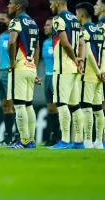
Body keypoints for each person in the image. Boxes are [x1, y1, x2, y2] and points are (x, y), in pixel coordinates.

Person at [48, 0, 85, 149]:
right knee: (75, 105)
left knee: (62, 104)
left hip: (63, 67)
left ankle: (64, 140)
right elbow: (82, 43)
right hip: (75, 69)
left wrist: (73, 58)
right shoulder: (76, 20)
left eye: (51, 2)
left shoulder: (58, 19)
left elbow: (64, 42)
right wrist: (80, 61)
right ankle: (78, 141)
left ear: (57, 2)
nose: (50, 6)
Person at [6, 0, 40, 148]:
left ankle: (24, 141)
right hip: (31, 67)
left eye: (10, 3)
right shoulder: (33, 23)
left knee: (19, 105)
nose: (8, 6)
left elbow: (12, 41)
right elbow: (37, 48)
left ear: (18, 6)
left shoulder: (16, 21)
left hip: (19, 67)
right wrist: (35, 67)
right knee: (28, 105)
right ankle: (31, 139)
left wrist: (12, 62)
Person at [76, 2, 105, 149]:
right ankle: (99, 142)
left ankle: (88, 141)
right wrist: (103, 70)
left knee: (87, 107)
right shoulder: (99, 29)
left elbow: (87, 52)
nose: (76, 17)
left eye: (76, 14)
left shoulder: (84, 30)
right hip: (100, 75)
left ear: (81, 14)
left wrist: (96, 70)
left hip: (89, 73)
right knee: (98, 108)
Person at [0, 10, 15, 146]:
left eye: (3, 20)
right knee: (5, 106)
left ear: (11, 21)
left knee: (12, 105)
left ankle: (14, 136)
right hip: (1, 73)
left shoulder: (14, 36)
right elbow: (0, 57)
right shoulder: (1, 36)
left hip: (10, 72)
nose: (0, 22)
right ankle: (7, 137)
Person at [95, 0, 105, 149]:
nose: (95, 7)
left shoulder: (103, 23)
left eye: (97, 4)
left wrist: (103, 67)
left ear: (104, 8)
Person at [42, 18, 60, 146]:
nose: (45, 27)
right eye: (45, 24)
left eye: (48, 25)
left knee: (59, 108)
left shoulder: (58, 42)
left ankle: (59, 137)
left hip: (56, 76)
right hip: (47, 77)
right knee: (51, 109)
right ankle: (52, 137)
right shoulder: (45, 43)